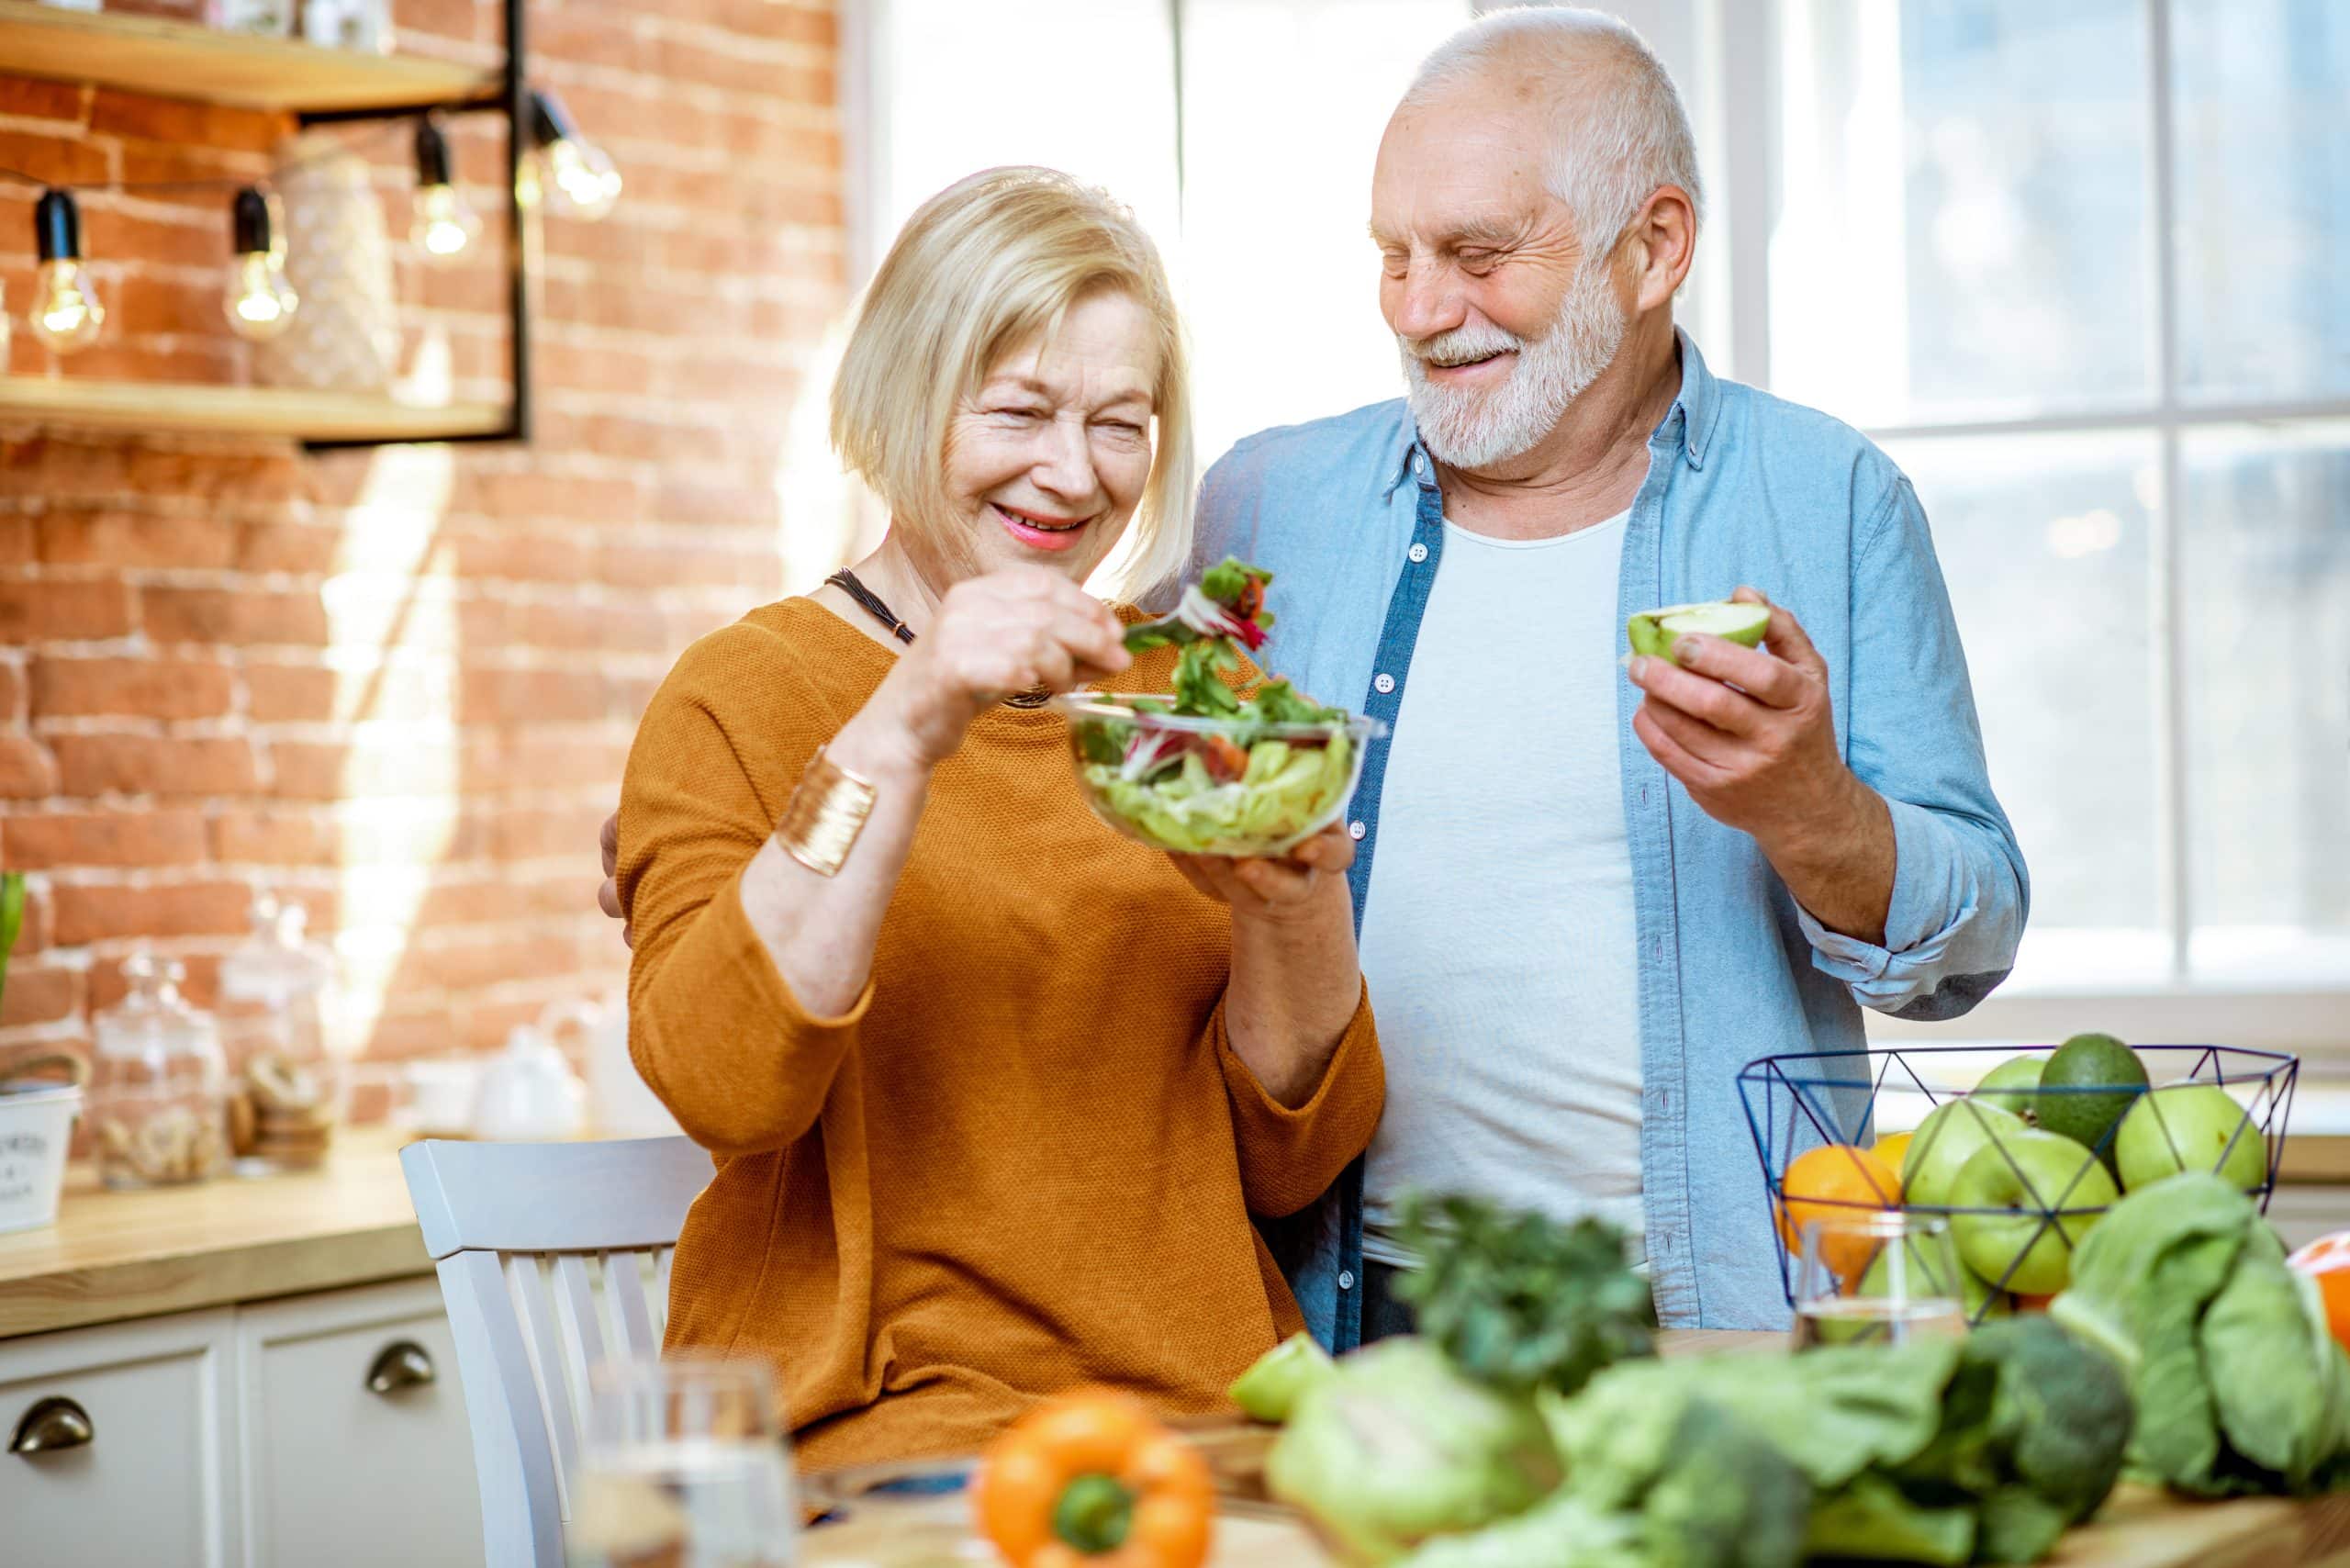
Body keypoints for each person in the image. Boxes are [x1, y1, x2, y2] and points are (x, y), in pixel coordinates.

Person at [1196, 6, 2026, 1342]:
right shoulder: (1263, 506)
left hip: (1703, 1321)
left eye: (1476, 254)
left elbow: (1969, 943)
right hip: (1336, 1317)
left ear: (1655, 248)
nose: (1420, 310)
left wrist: (1813, 810)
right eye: (1394, 257)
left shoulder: (1831, 498)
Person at [614, 165, 1382, 1470]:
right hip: (889, 1428)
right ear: (904, 396)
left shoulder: (1196, 703)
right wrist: (904, 725)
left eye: (1120, 424)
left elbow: (1286, 1165)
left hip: (1208, 1422)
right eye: (1019, 410)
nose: (1073, 476)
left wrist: (1293, 906)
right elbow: (725, 1085)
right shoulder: (746, 693)